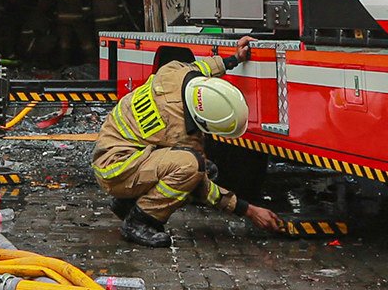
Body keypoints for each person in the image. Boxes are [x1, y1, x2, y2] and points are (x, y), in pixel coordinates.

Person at [94, 49, 283, 248]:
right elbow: (202, 187)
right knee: (192, 168)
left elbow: (202, 67)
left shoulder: (175, 71)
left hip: (116, 152)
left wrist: (235, 58)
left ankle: (128, 201)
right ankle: (141, 220)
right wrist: (249, 211)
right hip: (115, 169)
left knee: (201, 166)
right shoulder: (177, 129)